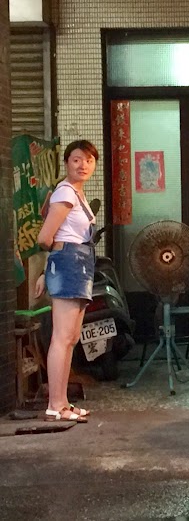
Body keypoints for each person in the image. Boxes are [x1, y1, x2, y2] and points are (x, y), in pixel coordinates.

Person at [34, 140, 100, 422]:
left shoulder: (78, 193)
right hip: (69, 264)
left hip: (80, 265)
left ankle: (62, 402)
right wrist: (52, 265)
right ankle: (54, 405)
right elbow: (45, 238)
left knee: (71, 337)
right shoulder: (65, 192)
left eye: (88, 160)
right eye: (76, 159)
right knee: (61, 337)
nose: (82, 165)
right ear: (66, 163)